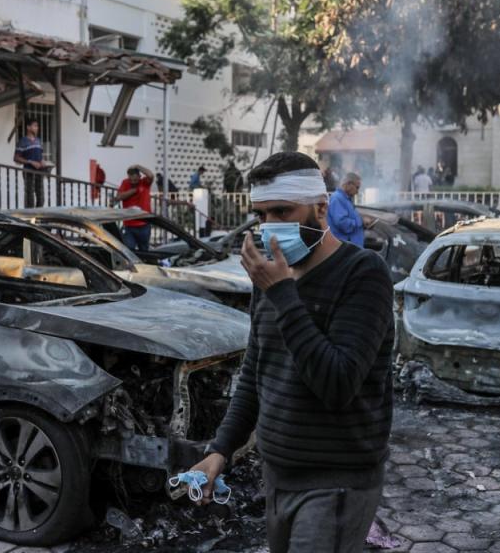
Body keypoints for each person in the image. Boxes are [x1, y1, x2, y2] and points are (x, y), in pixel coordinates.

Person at [190, 152, 394, 553]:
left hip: (336, 482)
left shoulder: (363, 273)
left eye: (283, 210)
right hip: (279, 477)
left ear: (321, 207)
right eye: (262, 214)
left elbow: (338, 383)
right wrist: (220, 449)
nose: (270, 226)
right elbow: (256, 371)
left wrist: (283, 293)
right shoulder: (270, 279)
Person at [117, 165, 154, 252]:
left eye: (135, 180)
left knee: (144, 250)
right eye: (131, 180)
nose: (133, 182)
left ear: (139, 176)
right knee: (129, 250)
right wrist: (133, 191)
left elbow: (151, 175)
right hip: (129, 225)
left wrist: (138, 166)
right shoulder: (125, 183)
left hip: (144, 224)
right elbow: (119, 197)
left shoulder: (144, 182)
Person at [14, 117, 49, 208]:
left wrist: (42, 162)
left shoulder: (38, 140)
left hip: (39, 172)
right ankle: (30, 217)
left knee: (41, 197)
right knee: (30, 196)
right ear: (28, 127)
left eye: (37, 126)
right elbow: (16, 158)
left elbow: (40, 156)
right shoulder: (23, 141)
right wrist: (30, 162)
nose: (37, 128)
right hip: (28, 172)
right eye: (35, 126)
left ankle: (39, 217)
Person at [327, 172, 365, 246]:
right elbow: (343, 223)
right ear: (349, 184)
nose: (357, 192)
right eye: (357, 187)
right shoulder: (337, 198)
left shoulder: (345, 198)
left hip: (351, 247)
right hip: (346, 247)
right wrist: (360, 222)